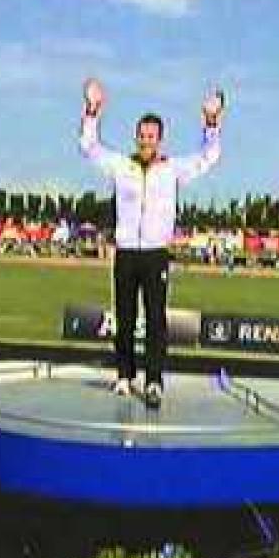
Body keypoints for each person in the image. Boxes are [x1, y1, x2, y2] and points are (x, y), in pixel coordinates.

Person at [78, 77, 224, 409]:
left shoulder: (172, 169)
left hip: (156, 254)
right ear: (136, 137)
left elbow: (208, 157)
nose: (146, 141)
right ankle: (124, 376)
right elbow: (89, 147)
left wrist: (212, 122)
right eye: (142, 136)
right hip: (126, 252)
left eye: (151, 137)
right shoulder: (122, 166)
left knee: (156, 319)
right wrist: (92, 111)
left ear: (160, 140)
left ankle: (154, 380)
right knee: (124, 317)